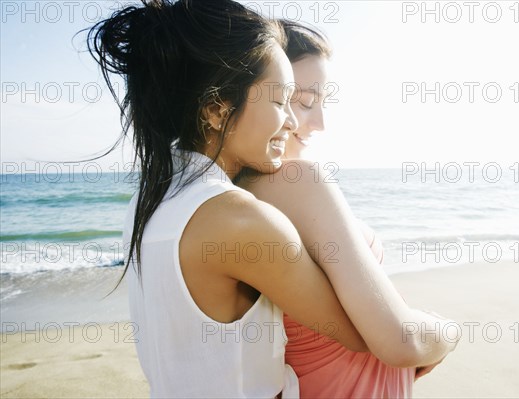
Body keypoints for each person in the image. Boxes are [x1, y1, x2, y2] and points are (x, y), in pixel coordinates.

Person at [88, 1, 457, 397]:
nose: (295, 122)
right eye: (284, 100)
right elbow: (388, 338)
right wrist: (446, 331)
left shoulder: (151, 202)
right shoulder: (241, 220)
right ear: (215, 108)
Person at [236, 21, 459, 398]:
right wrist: (447, 332)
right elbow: (400, 341)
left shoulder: (230, 195)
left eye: (322, 103)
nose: (319, 123)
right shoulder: (296, 181)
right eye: (304, 101)